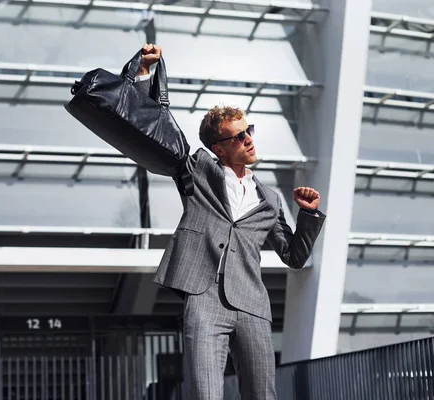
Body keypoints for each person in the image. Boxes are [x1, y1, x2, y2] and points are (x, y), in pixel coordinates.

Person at [134, 43, 327, 400]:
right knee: (206, 394)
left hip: (252, 303)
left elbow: (294, 256)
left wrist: (309, 214)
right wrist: (146, 73)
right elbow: (159, 126)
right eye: (239, 136)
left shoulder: (269, 198)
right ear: (219, 148)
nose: (249, 139)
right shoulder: (198, 172)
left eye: (248, 130)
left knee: (261, 395)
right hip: (203, 300)